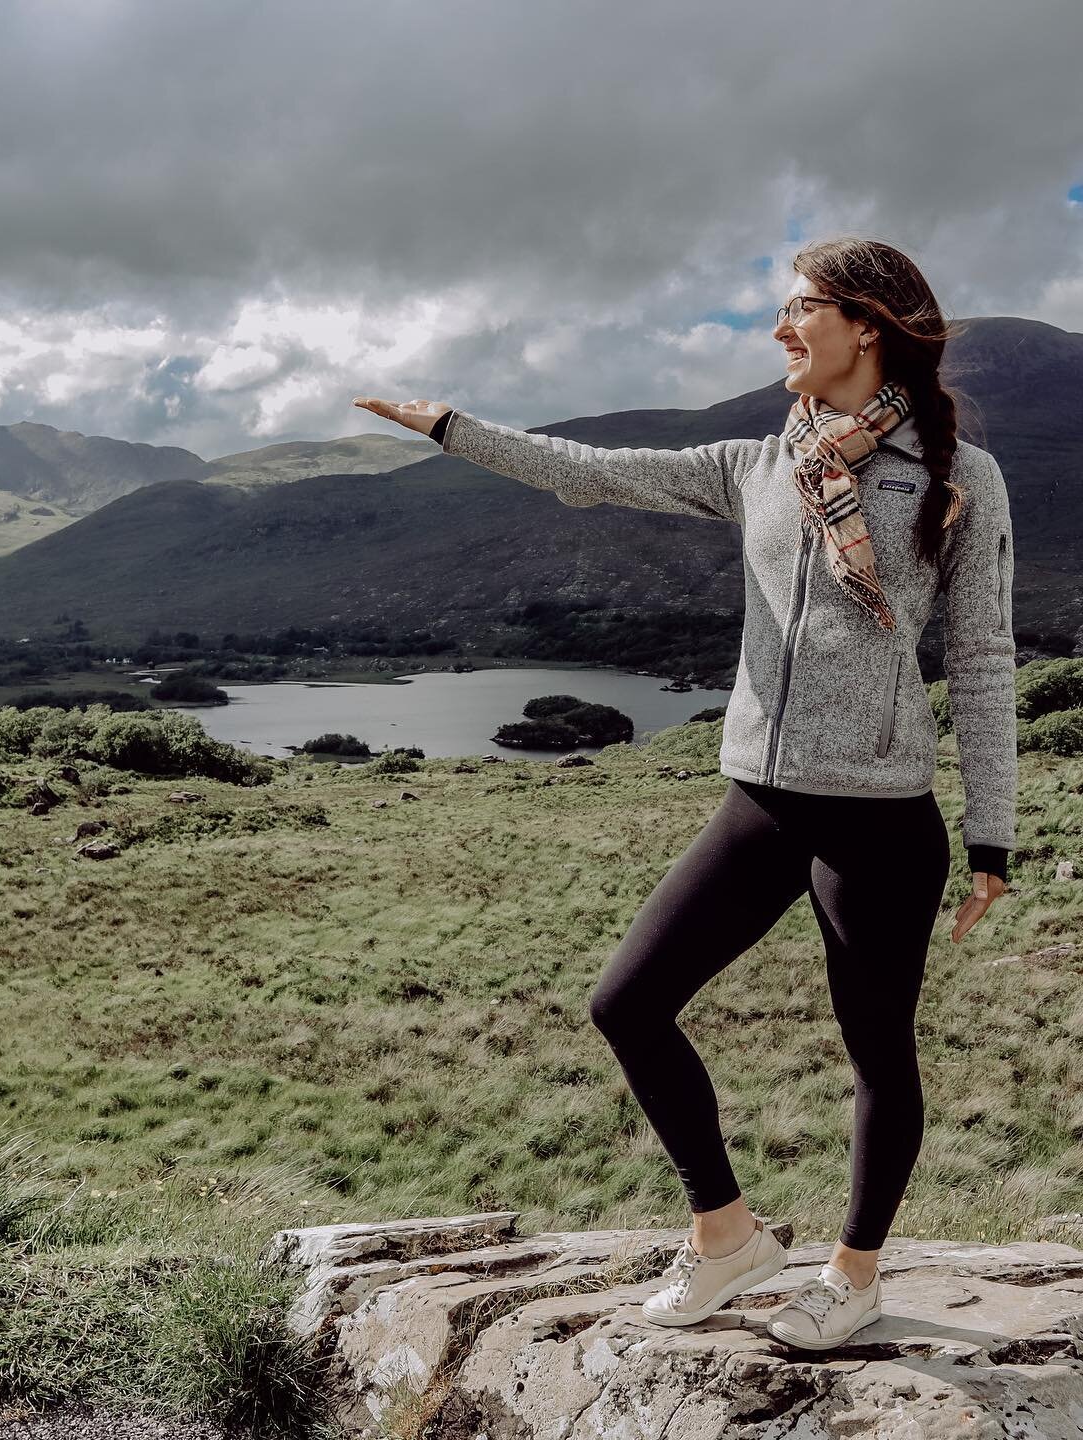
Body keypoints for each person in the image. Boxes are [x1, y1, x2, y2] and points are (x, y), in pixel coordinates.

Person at [351, 235, 1017, 1351]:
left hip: (881, 821)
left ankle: (852, 1276)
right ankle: (728, 1235)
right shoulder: (757, 468)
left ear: (866, 325)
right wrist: (450, 426)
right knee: (627, 1003)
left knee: (876, 1054)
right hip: (762, 799)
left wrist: (993, 834)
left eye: (799, 308)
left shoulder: (958, 480)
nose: (778, 329)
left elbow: (987, 658)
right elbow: (591, 473)